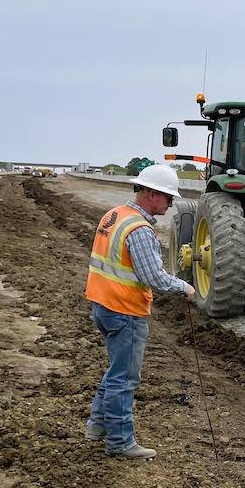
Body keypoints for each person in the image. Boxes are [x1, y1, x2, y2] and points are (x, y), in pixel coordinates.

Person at [84, 164, 195, 460]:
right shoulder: (139, 230)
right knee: (125, 378)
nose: (171, 204)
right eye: (168, 198)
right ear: (150, 193)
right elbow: (153, 277)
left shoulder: (114, 216)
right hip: (124, 310)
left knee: (115, 370)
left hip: (102, 304)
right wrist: (183, 287)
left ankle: (97, 425)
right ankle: (120, 442)